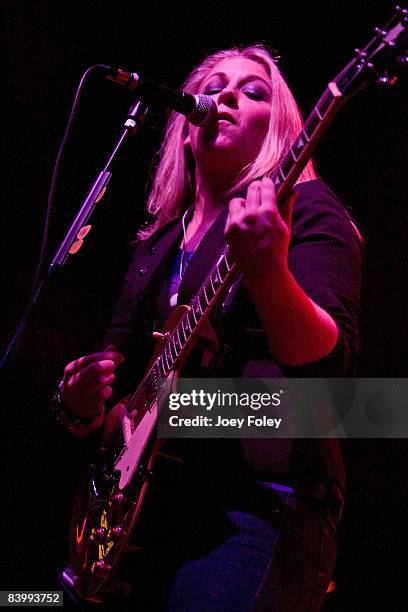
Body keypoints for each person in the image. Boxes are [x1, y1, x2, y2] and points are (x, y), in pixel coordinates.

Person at [55, 45, 362, 610]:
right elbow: (120, 407)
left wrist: (268, 271)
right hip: (144, 514)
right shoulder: (156, 247)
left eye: (253, 91)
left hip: (260, 506)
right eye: (216, 84)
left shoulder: (308, 207)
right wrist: (83, 407)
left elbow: (333, 380)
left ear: (281, 126)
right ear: (184, 126)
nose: (226, 95)